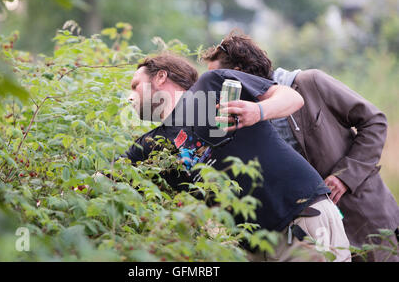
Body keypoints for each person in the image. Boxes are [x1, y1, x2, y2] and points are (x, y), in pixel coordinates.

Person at [124, 52, 351, 261]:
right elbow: (108, 177)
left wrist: (257, 111)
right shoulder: (150, 145)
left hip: (300, 218)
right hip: (254, 249)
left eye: (135, 86)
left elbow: (292, 97)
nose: (129, 97)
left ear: (160, 77)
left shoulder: (211, 84)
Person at [202, 31, 399, 261]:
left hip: (362, 216)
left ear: (236, 75)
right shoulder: (242, 119)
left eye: (217, 77)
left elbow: (374, 121)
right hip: (310, 235)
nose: (214, 89)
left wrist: (345, 176)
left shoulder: (310, 82)